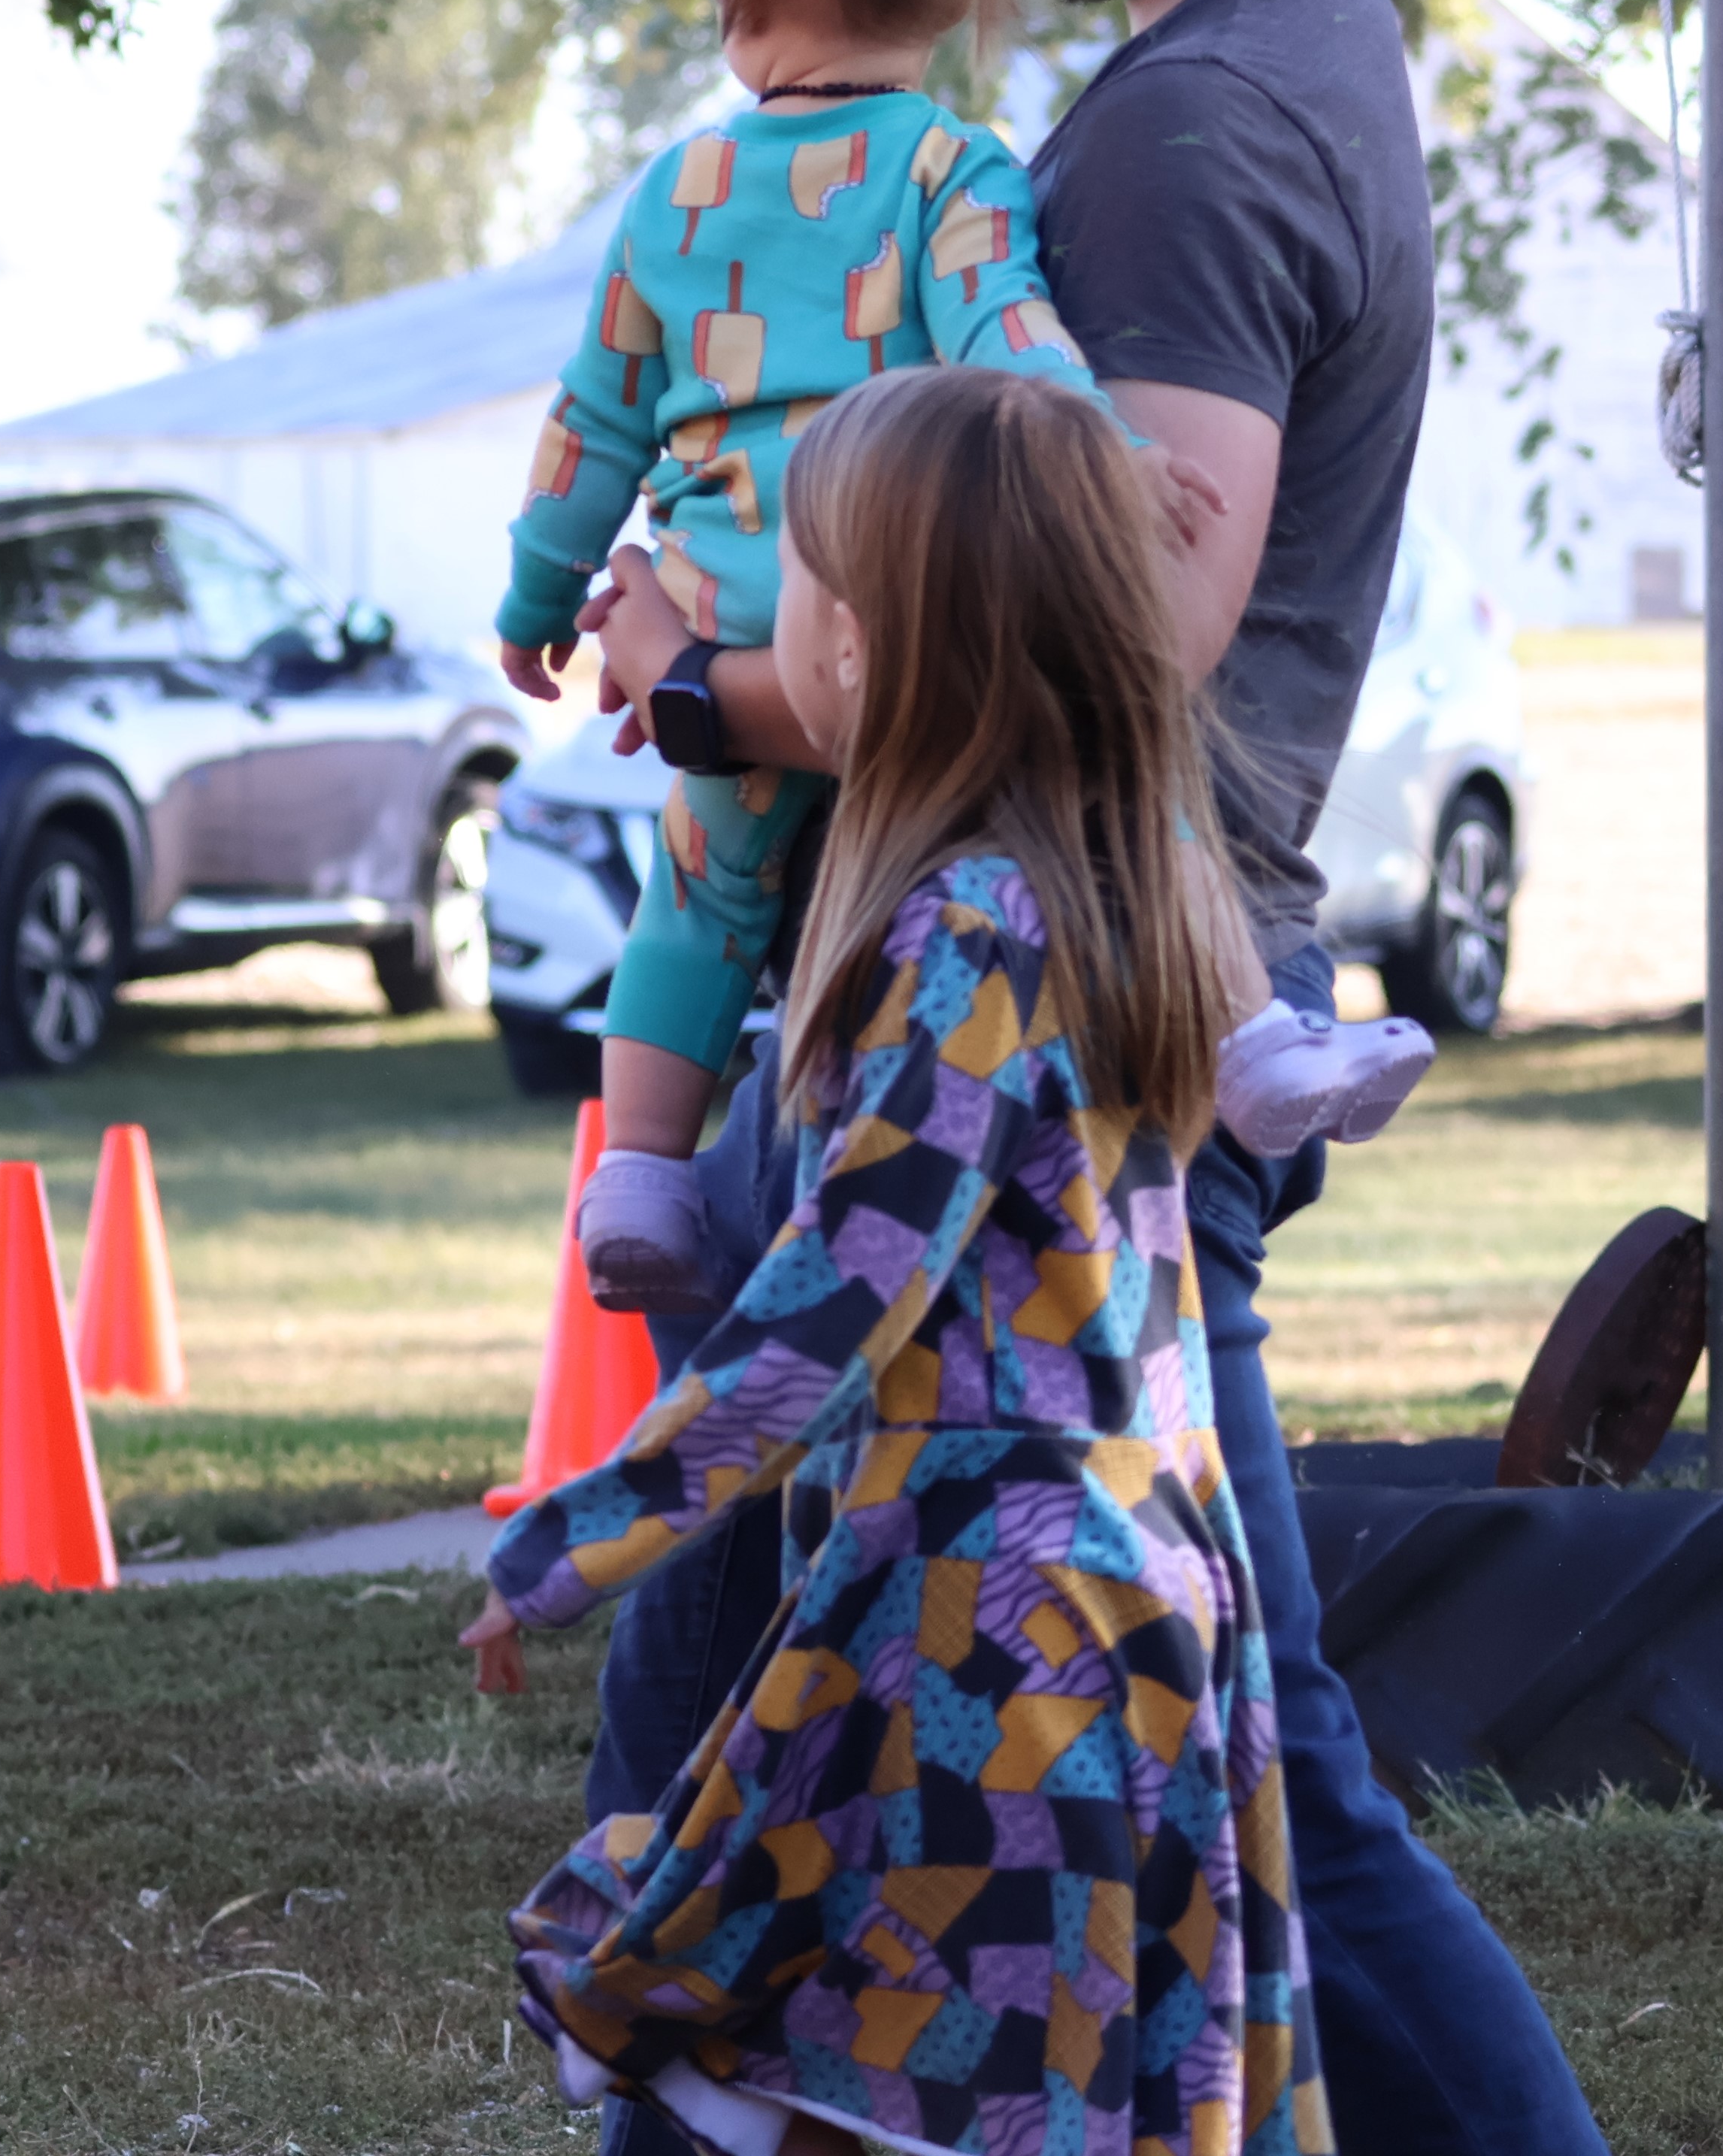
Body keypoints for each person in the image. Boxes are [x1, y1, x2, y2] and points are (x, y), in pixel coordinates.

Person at [568, 0, 1609, 2156]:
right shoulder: (1265, 64)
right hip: (1044, 1025)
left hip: (1035, 1056)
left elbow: (1095, 635)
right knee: (765, 1746)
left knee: (1205, 1773)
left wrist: (703, 685)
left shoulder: (1189, 129)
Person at [463, 365, 1335, 2156]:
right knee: (982, 2082)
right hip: (1132, 1601)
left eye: (790, 581)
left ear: (858, 645)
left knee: (909, 2074)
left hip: (999, 1638)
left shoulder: (970, 930)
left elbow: (838, 1293)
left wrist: (573, 1539)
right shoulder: (1122, 901)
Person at [493, 0, 1434, 1313]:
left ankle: (641, 1169)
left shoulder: (671, 197)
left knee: (701, 892)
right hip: (878, 587)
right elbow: (1009, 338)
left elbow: (590, 421)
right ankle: (1251, 1039)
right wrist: (1108, 452)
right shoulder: (949, 170)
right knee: (1136, 787)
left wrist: (539, 597)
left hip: (722, 600)